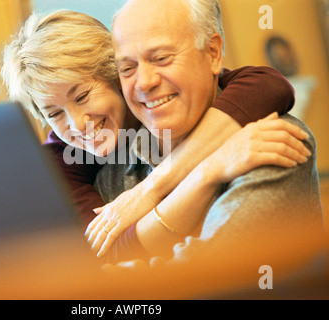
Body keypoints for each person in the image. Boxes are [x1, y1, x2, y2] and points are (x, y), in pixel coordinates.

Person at [0, 8, 314, 263]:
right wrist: (205, 172)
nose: (78, 124)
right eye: (54, 114)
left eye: (82, 96)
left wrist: (155, 188)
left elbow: (267, 84)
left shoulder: (266, 139)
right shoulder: (80, 166)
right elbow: (107, 250)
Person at [88, 0, 324, 262]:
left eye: (161, 58)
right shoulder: (112, 171)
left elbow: (208, 276)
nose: (144, 82)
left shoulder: (273, 142)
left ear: (213, 53)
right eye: (127, 69)